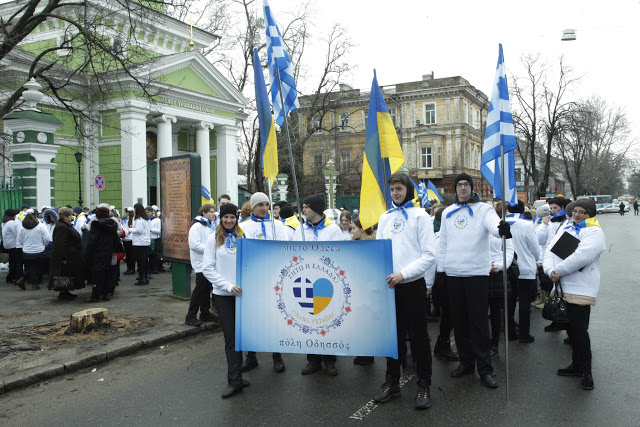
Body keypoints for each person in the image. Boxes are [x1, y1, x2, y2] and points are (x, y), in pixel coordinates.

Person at [437, 173, 511, 389]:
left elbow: (493, 226)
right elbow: (443, 244)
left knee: (478, 323)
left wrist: (501, 229)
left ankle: (485, 368)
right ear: (455, 189)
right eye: (459, 185)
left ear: (471, 187)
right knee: (459, 323)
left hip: (476, 274)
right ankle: (466, 362)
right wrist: (441, 271)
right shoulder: (448, 213)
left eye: (465, 184)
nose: (462, 188)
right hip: (453, 273)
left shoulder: (484, 209)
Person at [372, 173, 435, 410]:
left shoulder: (421, 216)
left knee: (419, 337)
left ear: (407, 190)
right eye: (393, 190)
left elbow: (429, 255)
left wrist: (404, 274)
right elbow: (379, 251)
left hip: (412, 286)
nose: (396, 193)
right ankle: (392, 382)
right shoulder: (385, 217)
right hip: (390, 287)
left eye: (399, 189)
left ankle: (424, 383)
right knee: (393, 338)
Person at [543, 198, 605, 390]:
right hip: (562, 285)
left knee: (579, 331)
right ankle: (576, 365)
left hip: (581, 288)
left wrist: (558, 271)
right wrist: (549, 271)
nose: (577, 215)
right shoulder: (567, 227)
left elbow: (581, 257)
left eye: (582, 212)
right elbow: (549, 251)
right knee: (569, 328)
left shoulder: (595, 232)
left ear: (590, 214)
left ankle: (587, 372)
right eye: (575, 211)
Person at [291, 194, 343, 376]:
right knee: (309, 320)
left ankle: (330, 361)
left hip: (327, 283)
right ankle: (313, 359)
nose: (303, 210)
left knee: (327, 320)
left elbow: (339, 255)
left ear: (316, 209)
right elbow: (293, 253)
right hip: (305, 281)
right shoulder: (300, 230)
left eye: (306, 207)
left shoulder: (332, 230)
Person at [202, 203, 250, 398]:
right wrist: (228, 285)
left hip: (244, 296)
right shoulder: (213, 239)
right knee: (230, 338)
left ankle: (238, 375)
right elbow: (207, 268)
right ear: (220, 218)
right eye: (225, 217)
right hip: (224, 296)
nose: (229, 220)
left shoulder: (242, 236)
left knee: (241, 337)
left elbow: (248, 262)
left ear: (237, 218)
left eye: (232, 217)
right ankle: (234, 381)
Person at [239, 192, 288, 373]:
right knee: (253, 319)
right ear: (253, 207)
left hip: (275, 278)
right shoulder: (243, 226)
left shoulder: (278, 225)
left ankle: (277, 355)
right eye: (260, 204)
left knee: (275, 319)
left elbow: (285, 248)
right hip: (253, 279)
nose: (264, 208)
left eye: (267, 204)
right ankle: (251, 356)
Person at [505, 200, 540, 343]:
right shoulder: (527, 224)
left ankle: (510, 332)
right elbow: (535, 248)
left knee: (509, 301)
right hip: (525, 268)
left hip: (507, 268)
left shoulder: (501, 223)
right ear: (522, 209)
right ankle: (524, 335)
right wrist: (536, 260)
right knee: (525, 302)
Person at [431, 206, 460, 362]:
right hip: (443, 280)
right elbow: (435, 261)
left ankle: (442, 346)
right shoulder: (439, 238)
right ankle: (443, 346)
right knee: (449, 316)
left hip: (449, 279)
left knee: (450, 317)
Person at [537, 197, 569, 331]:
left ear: (562, 208)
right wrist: (544, 225)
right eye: (551, 208)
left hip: (562, 261)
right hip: (549, 261)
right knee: (553, 294)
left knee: (564, 294)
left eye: (555, 208)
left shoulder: (567, 222)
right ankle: (556, 320)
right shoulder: (547, 222)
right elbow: (540, 240)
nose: (552, 211)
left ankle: (566, 323)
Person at [487, 207, 514, 359]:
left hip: (497, 272)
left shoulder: (503, 227)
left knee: (496, 312)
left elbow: (509, 250)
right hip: (478, 272)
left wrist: (500, 266)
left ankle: (494, 344)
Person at [185, 203, 218, 327]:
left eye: (214, 211)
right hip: (200, 263)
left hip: (209, 263)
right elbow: (194, 245)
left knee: (206, 289)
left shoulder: (210, 226)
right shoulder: (197, 226)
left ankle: (205, 312)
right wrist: (211, 248)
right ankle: (190, 315)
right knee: (199, 290)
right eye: (210, 211)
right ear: (203, 213)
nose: (213, 213)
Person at [49, 207, 86, 300]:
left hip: (70, 255)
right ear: (65, 216)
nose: (71, 217)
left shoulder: (64, 225)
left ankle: (66, 291)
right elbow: (61, 243)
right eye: (70, 215)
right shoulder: (62, 227)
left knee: (67, 274)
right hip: (66, 256)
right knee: (64, 274)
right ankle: (63, 292)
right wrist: (63, 257)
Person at [85, 207, 121, 302]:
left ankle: (95, 295)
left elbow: (92, 241)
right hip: (109, 252)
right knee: (108, 273)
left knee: (97, 275)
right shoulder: (112, 224)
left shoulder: (96, 225)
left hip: (98, 253)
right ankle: (106, 293)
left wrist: (87, 253)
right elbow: (116, 238)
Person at [16, 210, 50, 290]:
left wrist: (26, 245)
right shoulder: (41, 226)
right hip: (39, 251)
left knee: (32, 266)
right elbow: (46, 239)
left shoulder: (22, 227)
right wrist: (43, 245)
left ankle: (24, 280)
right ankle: (33, 284)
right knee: (36, 265)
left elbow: (20, 240)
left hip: (26, 252)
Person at [128, 203, 150, 286]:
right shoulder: (146, 219)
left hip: (139, 242)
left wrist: (130, 229)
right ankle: (145, 277)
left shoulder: (139, 219)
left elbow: (139, 230)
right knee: (144, 261)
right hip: (145, 241)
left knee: (140, 262)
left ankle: (142, 278)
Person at [2, 209, 20, 283]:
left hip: (7, 244)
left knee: (12, 261)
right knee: (14, 261)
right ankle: (12, 276)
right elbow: (16, 233)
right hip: (13, 245)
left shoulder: (4, 222)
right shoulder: (11, 223)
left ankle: (10, 277)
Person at [147, 206, 161, 276]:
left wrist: (151, 230)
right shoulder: (147, 220)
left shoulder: (157, 220)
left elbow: (160, 231)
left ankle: (155, 268)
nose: (147, 214)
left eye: (148, 212)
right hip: (149, 239)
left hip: (155, 239)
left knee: (154, 255)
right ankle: (151, 268)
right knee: (150, 255)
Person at [121, 207, 136, 275]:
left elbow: (130, 229)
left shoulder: (132, 219)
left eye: (125, 212)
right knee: (127, 255)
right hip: (125, 239)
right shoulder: (124, 219)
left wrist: (125, 233)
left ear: (128, 213)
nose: (124, 213)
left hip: (130, 239)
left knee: (131, 255)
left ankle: (131, 268)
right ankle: (128, 268)